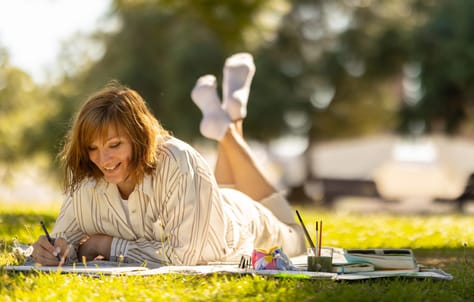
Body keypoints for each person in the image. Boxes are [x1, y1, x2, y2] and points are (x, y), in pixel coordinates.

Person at [31, 53, 306, 267]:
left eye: (115, 145)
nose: (103, 159)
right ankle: (230, 116)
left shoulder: (177, 159)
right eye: (92, 148)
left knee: (298, 237)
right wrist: (54, 248)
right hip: (207, 202)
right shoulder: (88, 177)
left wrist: (104, 245)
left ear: (139, 137)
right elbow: (64, 238)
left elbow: (185, 256)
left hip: (242, 221)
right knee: (223, 188)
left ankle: (229, 123)